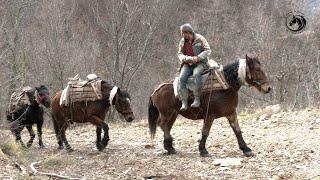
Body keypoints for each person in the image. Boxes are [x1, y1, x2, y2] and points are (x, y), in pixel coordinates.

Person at [177, 23, 211, 111]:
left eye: (185, 33)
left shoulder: (200, 39)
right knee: (181, 78)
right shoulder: (182, 41)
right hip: (188, 64)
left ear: (190, 33)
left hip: (201, 63)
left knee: (196, 74)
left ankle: (197, 99)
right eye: (183, 34)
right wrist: (186, 58)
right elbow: (179, 53)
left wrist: (198, 57)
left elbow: (208, 50)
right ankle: (184, 102)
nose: (184, 36)